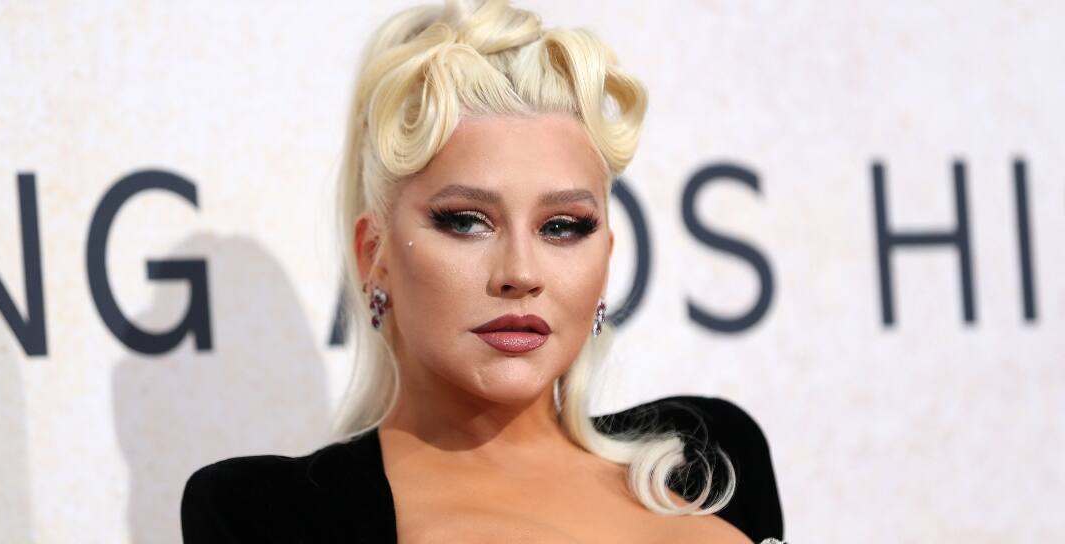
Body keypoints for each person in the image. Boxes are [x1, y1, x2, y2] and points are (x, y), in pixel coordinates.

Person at [181, 0, 785, 542]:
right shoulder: (273, 515)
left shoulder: (710, 457)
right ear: (374, 256)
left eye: (562, 226)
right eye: (467, 221)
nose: (519, 272)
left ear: (606, 255)